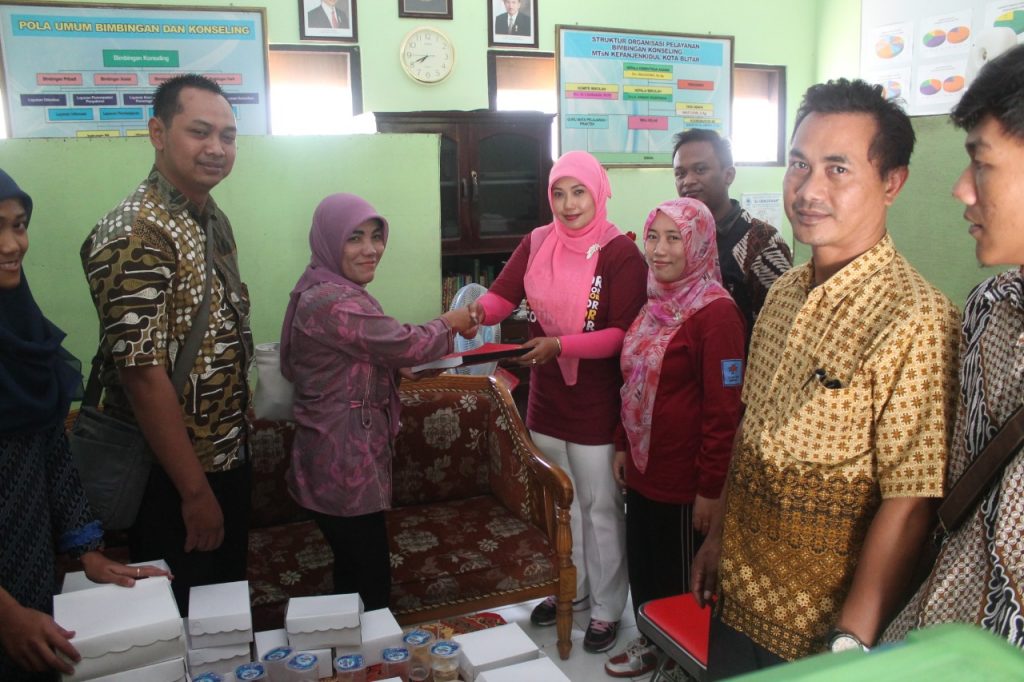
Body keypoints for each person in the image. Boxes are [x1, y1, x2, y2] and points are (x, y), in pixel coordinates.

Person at [691, 79, 961, 678]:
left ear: (892, 182)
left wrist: (851, 644)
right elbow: (751, 428)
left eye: (838, 169)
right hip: (737, 597)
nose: (809, 190)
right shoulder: (784, 291)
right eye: (799, 165)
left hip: (819, 635)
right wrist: (717, 541)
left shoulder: (916, 318)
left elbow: (910, 500)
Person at [80, 74, 251, 615]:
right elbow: (142, 375)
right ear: (158, 132)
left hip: (224, 457)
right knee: (182, 620)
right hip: (169, 476)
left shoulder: (210, 218)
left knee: (225, 619)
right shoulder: (135, 231)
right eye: (200, 132)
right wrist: (195, 493)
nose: (217, 148)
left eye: (228, 136)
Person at [467, 151, 647, 654]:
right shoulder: (537, 241)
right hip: (546, 400)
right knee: (561, 505)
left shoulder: (620, 253)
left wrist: (561, 345)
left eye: (579, 192)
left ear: (599, 192)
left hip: (595, 402)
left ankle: (608, 607)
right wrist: (475, 313)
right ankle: (573, 587)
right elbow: (502, 296)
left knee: (600, 507)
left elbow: (622, 333)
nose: (568, 205)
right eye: (559, 193)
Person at [881, 44, 1024, 649]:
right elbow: (960, 508)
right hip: (941, 635)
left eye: (981, 163)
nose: (962, 190)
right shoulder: (991, 310)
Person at [0, 169, 168, 681]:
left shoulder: (22, 334)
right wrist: (6, 615)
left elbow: (50, 451)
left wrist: (87, 553)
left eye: (18, 225)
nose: (11, 245)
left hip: (29, 575)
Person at [280, 193, 478, 610]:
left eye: (376, 236)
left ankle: (352, 644)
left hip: (343, 455)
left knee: (355, 574)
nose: (371, 249)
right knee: (369, 583)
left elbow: (360, 357)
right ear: (329, 240)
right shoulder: (332, 300)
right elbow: (404, 343)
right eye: (354, 238)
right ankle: (367, 649)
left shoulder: (329, 287)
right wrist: (450, 322)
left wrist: (399, 370)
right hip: (341, 460)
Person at [604, 198, 744, 678]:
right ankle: (651, 641)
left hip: (686, 482)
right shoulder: (655, 301)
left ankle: (684, 661)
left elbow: (724, 412)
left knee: (682, 577)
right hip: (646, 469)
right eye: (653, 237)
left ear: (699, 244)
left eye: (673, 238)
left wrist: (711, 490)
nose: (659, 250)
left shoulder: (716, 316)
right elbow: (631, 380)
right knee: (646, 566)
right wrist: (622, 443)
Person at [672, 129, 793, 340]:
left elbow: (781, 332)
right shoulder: (676, 238)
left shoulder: (762, 243)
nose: (688, 181)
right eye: (680, 173)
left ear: (728, 175)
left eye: (700, 170)